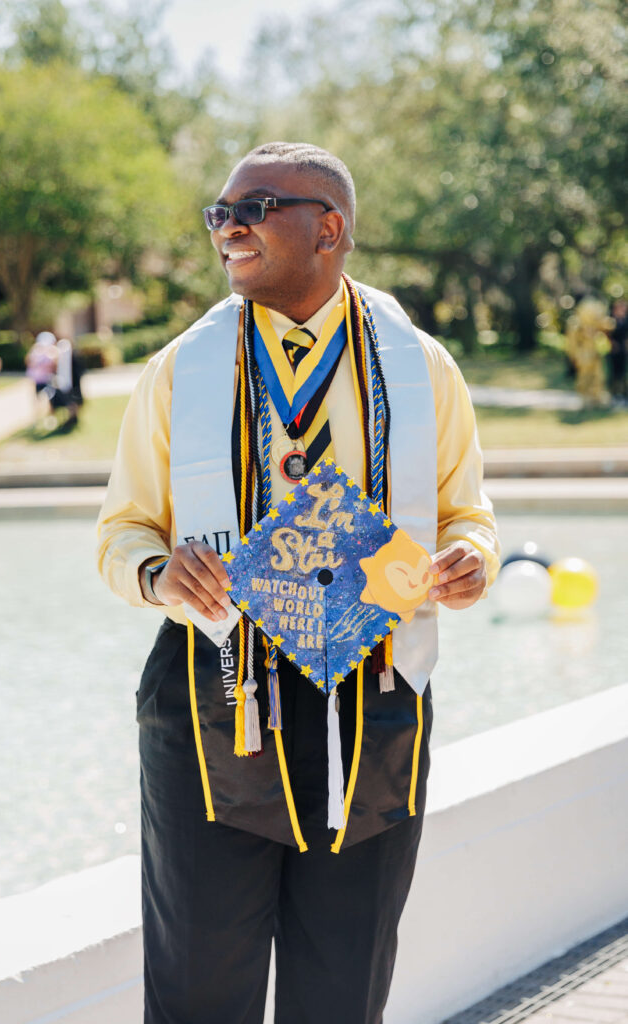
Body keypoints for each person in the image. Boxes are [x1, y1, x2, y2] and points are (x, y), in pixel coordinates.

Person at [96, 141, 500, 1024]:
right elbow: (121, 533)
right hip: (214, 704)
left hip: (373, 696)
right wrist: (163, 575)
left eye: (255, 206)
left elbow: (464, 511)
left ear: (330, 228)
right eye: (219, 212)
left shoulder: (421, 366)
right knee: (200, 988)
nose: (227, 227)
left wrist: (470, 560)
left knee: (343, 989)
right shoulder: (179, 370)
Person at [608, 298, 628, 401]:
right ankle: (614, 393)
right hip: (614, 350)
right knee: (614, 372)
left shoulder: (625, 320)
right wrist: (612, 343)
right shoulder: (611, 320)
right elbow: (607, 334)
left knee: (623, 372)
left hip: (623, 349)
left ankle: (624, 393)